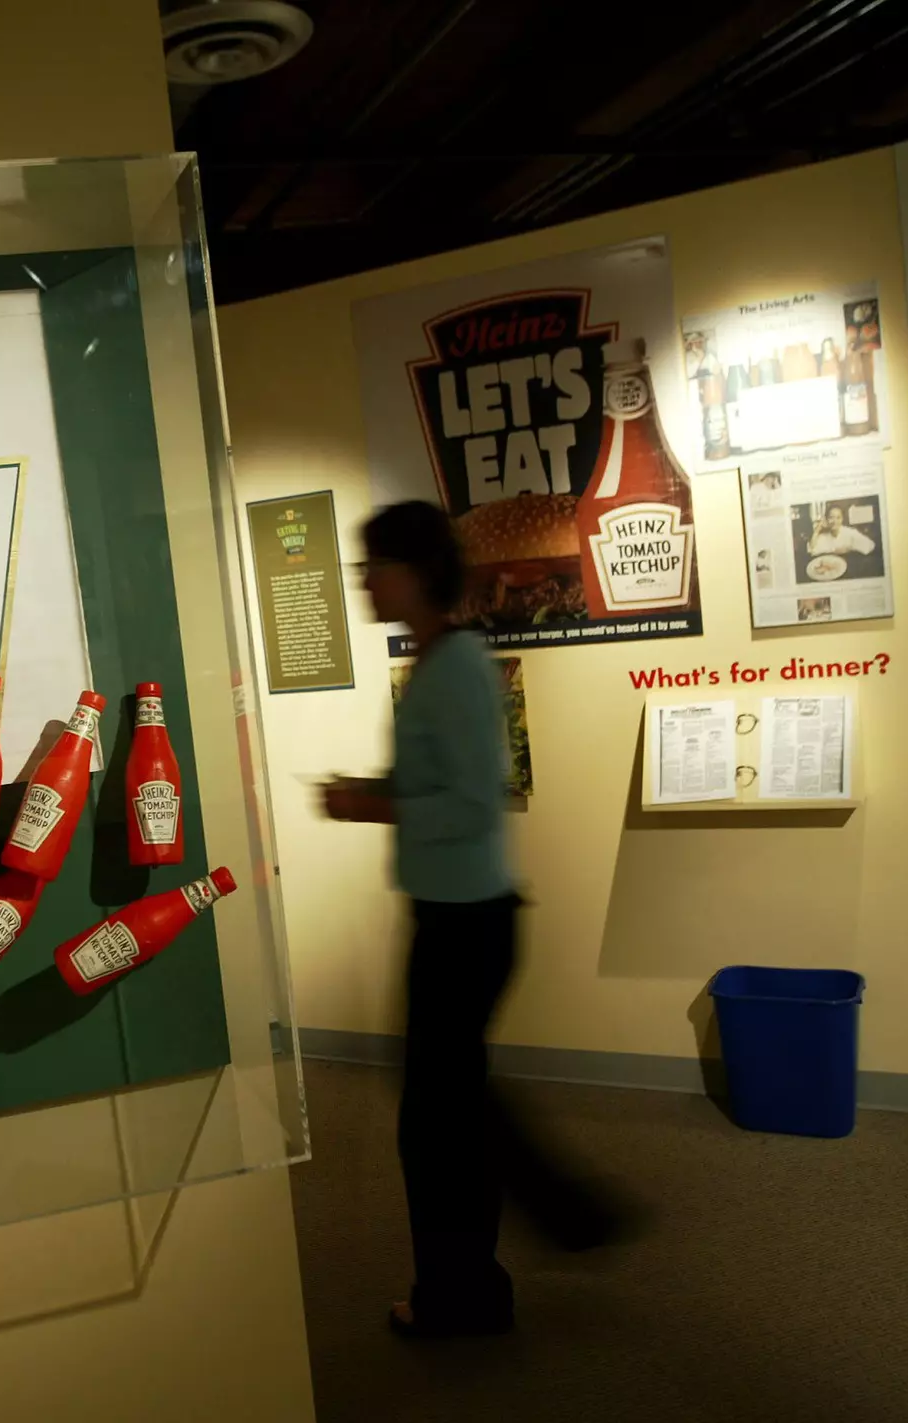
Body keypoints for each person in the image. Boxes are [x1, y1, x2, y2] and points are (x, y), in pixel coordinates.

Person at [321, 500, 615, 1341]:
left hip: (465, 922)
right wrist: (375, 790)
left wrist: (369, 802)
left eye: (372, 565)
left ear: (412, 571)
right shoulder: (441, 657)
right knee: (448, 1113)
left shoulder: (455, 664)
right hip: (455, 916)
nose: (365, 582)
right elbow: (437, 780)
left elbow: (469, 798)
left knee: (437, 1124)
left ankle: (477, 1286)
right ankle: (490, 1275)